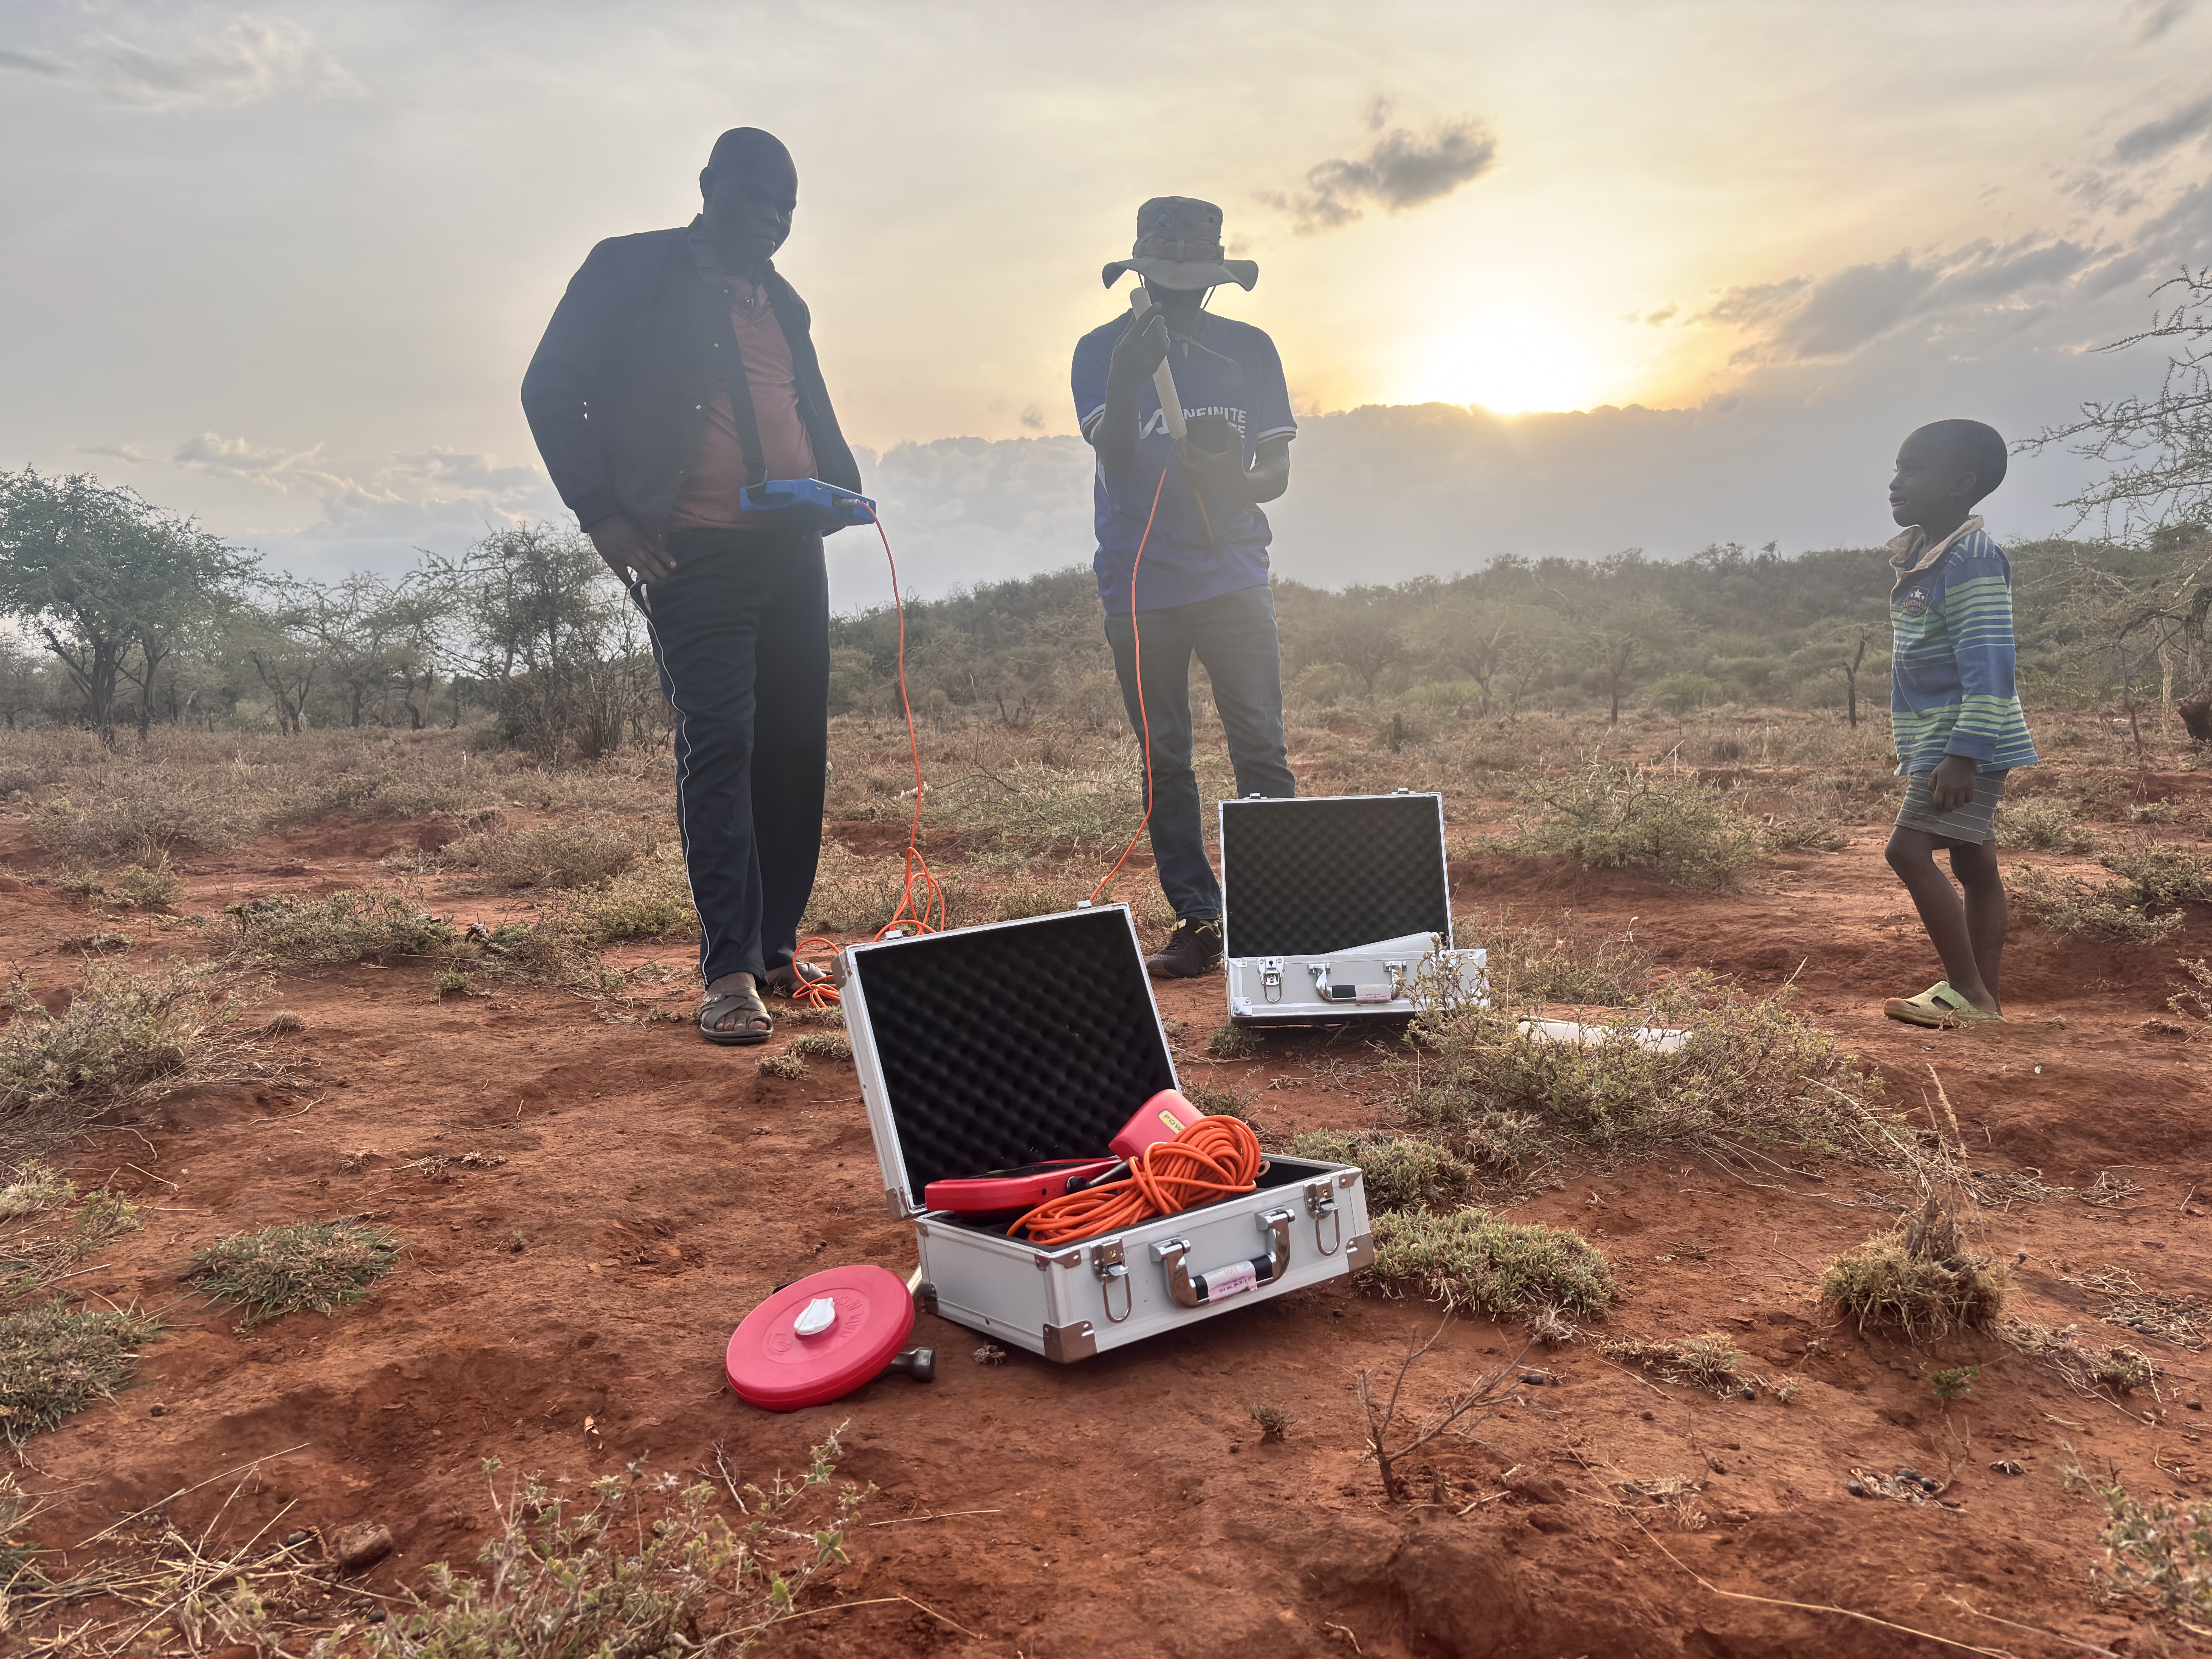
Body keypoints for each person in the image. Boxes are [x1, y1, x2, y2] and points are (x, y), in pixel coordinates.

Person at [521, 127, 861, 1046]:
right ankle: (728, 971)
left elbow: (802, 403)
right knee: (722, 742)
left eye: (788, 205)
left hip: (791, 548)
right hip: (692, 552)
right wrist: (603, 512)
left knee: (793, 749)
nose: (774, 217)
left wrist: (837, 484)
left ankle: (779, 948)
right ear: (710, 186)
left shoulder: (781, 300)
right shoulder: (632, 270)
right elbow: (551, 387)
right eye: (757, 196)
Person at [1072, 197, 1298, 979]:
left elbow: (1276, 473)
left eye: (1190, 281)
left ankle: (1277, 916)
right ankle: (1198, 919)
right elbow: (1121, 460)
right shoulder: (1102, 351)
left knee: (1261, 751)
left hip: (1234, 574)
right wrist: (1133, 377)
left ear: (1213, 282)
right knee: (1166, 757)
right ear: (1140, 275)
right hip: (1141, 583)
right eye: (1161, 279)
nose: (1175, 294)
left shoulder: (1251, 350)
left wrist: (1234, 477)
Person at [1878, 419, 2038, 1029]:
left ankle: (1967, 992)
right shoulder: (1926, 556)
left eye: (1913, 469)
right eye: (1897, 467)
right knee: (1975, 866)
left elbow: (1991, 662)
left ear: (1961, 483)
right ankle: (1985, 1001)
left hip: (1963, 743)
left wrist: (1964, 753)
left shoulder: (1972, 559)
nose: (1896, 482)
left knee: (1908, 852)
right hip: (1943, 743)